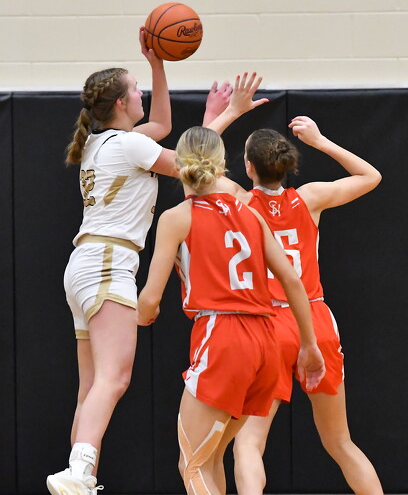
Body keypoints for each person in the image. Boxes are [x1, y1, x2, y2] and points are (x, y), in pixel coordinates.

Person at [45, 25, 268, 494]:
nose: (142, 93)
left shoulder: (101, 142)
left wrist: (158, 64)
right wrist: (229, 113)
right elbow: (194, 166)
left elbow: (164, 126)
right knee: (113, 378)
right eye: (136, 89)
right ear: (120, 103)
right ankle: (79, 473)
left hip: (84, 265)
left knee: (93, 387)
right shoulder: (130, 145)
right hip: (109, 263)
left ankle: (78, 475)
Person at [136, 125, 326, 495]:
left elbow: (149, 300)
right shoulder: (251, 214)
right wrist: (309, 343)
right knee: (211, 458)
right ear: (224, 164)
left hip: (222, 336)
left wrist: (140, 317)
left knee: (191, 464)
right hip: (266, 342)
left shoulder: (177, 217)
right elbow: (292, 280)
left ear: (179, 165)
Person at [231, 117, 383, 494]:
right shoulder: (310, 197)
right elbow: (371, 176)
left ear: (249, 167)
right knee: (341, 443)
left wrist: (225, 112)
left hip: (267, 324)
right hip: (314, 319)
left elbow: (189, 165)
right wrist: (321, 141)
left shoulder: (238, 202)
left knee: (248, 444)